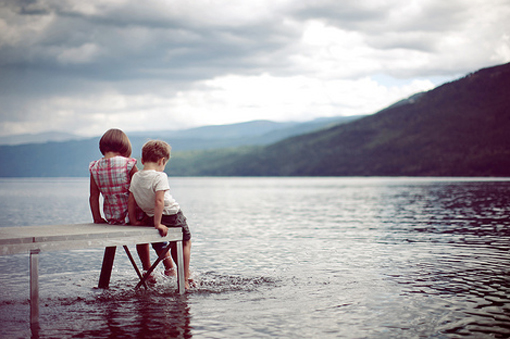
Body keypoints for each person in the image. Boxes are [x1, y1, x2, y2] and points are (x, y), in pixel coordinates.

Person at [89, 128, 175, 277]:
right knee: (152, 231)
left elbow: (93, 196)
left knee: (143, 233)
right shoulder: (128, 164)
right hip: (133, 216)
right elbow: (140, 187)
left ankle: (147, 269)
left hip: (113, 218)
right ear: (124, 146)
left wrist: (97, 218)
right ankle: (169, 267)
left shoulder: (94, 168)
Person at [128, 140, 193, 289]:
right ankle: (184, 278)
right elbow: (159, 201)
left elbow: (131, 200)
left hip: (151, 216)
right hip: (171, 214)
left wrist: (133, 220)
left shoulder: (136, 176)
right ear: (162, 161)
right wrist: (158, 223)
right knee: (184, 242)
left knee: (166, 242)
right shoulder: (160, 176)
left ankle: (172, 273)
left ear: (142, 160)